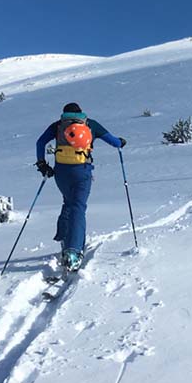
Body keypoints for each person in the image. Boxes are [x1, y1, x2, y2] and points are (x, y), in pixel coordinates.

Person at [35, 103, 125, 271]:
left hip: (61, 172)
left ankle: (64, 238)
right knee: (78, 207)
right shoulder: (90, 124)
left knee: (68, 202)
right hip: (81, 171)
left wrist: (42, 164)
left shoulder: (58, 126)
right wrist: (121, 142)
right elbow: (114, 142)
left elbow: (40, 142)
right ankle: (74, 251)